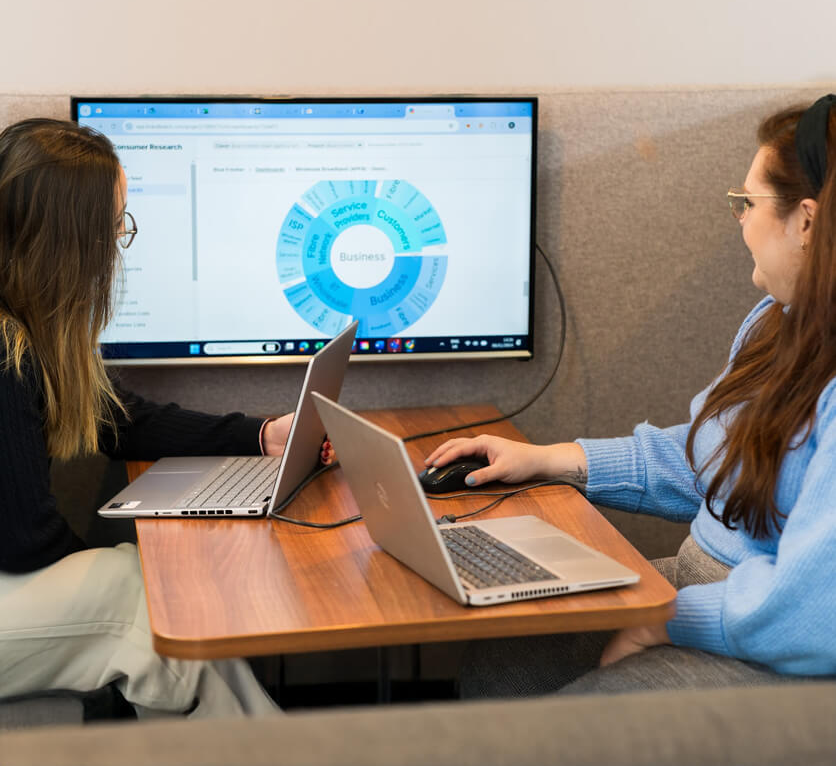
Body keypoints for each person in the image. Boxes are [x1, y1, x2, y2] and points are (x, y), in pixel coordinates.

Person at [426, 95, 836, 696]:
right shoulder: (776, 322)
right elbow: (709, 463)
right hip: (709, 590)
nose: (741, 220)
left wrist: (664, 623)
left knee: (576, 718)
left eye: (747, 204)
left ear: (805, 221)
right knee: (507, 655)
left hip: (773, 638)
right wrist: (549, 460)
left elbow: (813, 608)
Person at [0, 118, 332, 718]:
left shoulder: (26, 326)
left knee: (155, 598)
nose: (118, 243)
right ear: (67, 241)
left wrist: (260, 435)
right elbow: (25, 543)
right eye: (114, 225)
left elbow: (120, 421)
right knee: (145, 599)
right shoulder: (7, 354)